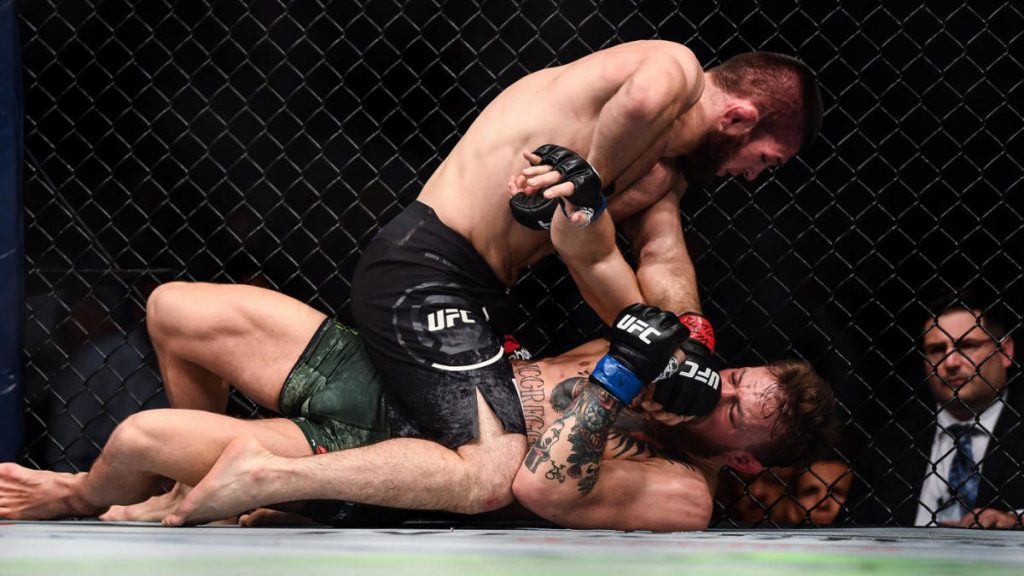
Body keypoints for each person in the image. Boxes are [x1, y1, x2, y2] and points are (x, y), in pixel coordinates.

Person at [333, 39, 823, 525]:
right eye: (768, 159)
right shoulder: (678, 68)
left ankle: (320, 492)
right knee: (491, 468)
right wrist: (588, 179)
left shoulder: (661, 172)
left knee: (431, 439)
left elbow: (662, 256)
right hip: (431, 260)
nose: (754, 176)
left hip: (481, 291)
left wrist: (689, 342)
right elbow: (643, 98)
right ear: (738, 118)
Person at [0, 283, 837, 531]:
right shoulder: (676, 362)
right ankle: (196, 497)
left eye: (735, 411)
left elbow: (541, 485)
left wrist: (621, 377)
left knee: (139, 436)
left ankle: (77, 493)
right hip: (400, 374)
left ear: (744, 456)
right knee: (176, 309)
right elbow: (611, 255)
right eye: (733, 378)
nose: (717, 390)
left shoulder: (684, 494)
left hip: (394, 444)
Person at [847, 287, 1022, 529]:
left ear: (1005, 351)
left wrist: (1017, 521)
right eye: (937, 350)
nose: (950, 362)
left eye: (967, 345)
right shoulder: (890, 446)